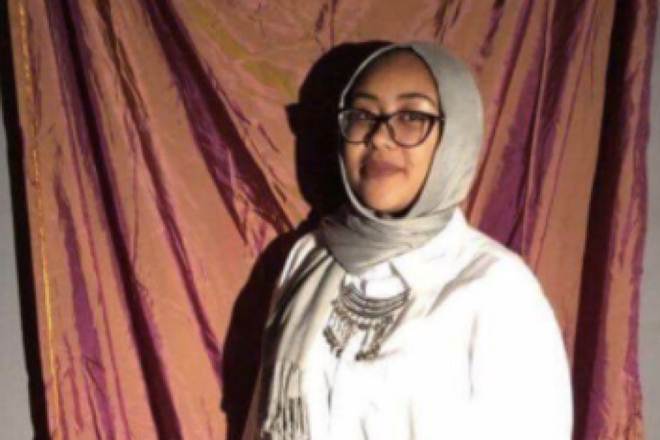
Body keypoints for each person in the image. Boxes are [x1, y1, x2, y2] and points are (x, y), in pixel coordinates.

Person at [241, 42, 573, 440]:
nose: (379, 138)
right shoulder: (310, 257)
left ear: (455, 137)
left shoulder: (496, 286)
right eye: (362, 115)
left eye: (412, 117)